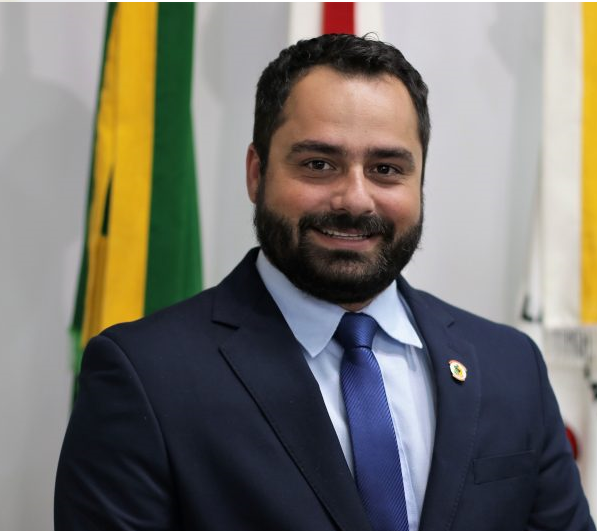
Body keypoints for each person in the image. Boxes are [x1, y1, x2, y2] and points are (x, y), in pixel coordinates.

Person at [54, 33, 594, 531]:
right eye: (318, 164)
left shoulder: (510, 367)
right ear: (256, 173)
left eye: (386, 169)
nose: (355, 199)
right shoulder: (145, 377)